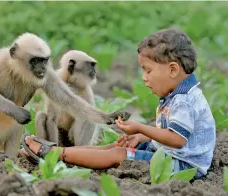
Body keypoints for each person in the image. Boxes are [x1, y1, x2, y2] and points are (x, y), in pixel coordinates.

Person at [20, 28, 216, 179]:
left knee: (117, 154)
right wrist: (142, 137)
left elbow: (177, 140)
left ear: (172, 70)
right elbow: (175, 136)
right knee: (111, 147)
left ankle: (54, 154)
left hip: (181, 166)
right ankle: (54, 151)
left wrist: (141, 129)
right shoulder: (177, 95)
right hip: (168, 154)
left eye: (148, 71)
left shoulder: (185, 100)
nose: (144, 78)